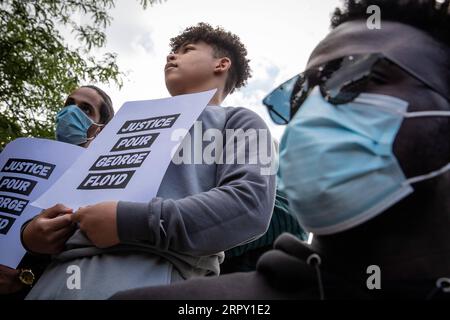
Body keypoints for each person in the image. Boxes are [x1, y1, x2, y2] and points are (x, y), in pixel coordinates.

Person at [111, 0, 450, 300]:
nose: (316, 108)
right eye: (302, 94)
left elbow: (254, 208)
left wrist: (132, 224)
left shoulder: (238, 124)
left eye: (360, 77)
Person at [21, 23, 276, 299]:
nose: (171, 56)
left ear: (221, 64)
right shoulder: (119, 125)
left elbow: (250, 204)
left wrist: (128, 221)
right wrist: (31, 235)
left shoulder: (239, 121)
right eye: (171, 51)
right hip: (52, 279)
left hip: (153, 274)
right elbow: (68, 199)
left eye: (186, 50)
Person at [0, 85, 114, 298]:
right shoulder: (20, 157)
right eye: (69, 104)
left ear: (100, 129)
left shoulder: (99, 182)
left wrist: (25, 276)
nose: (71, 112)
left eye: (86, 109)